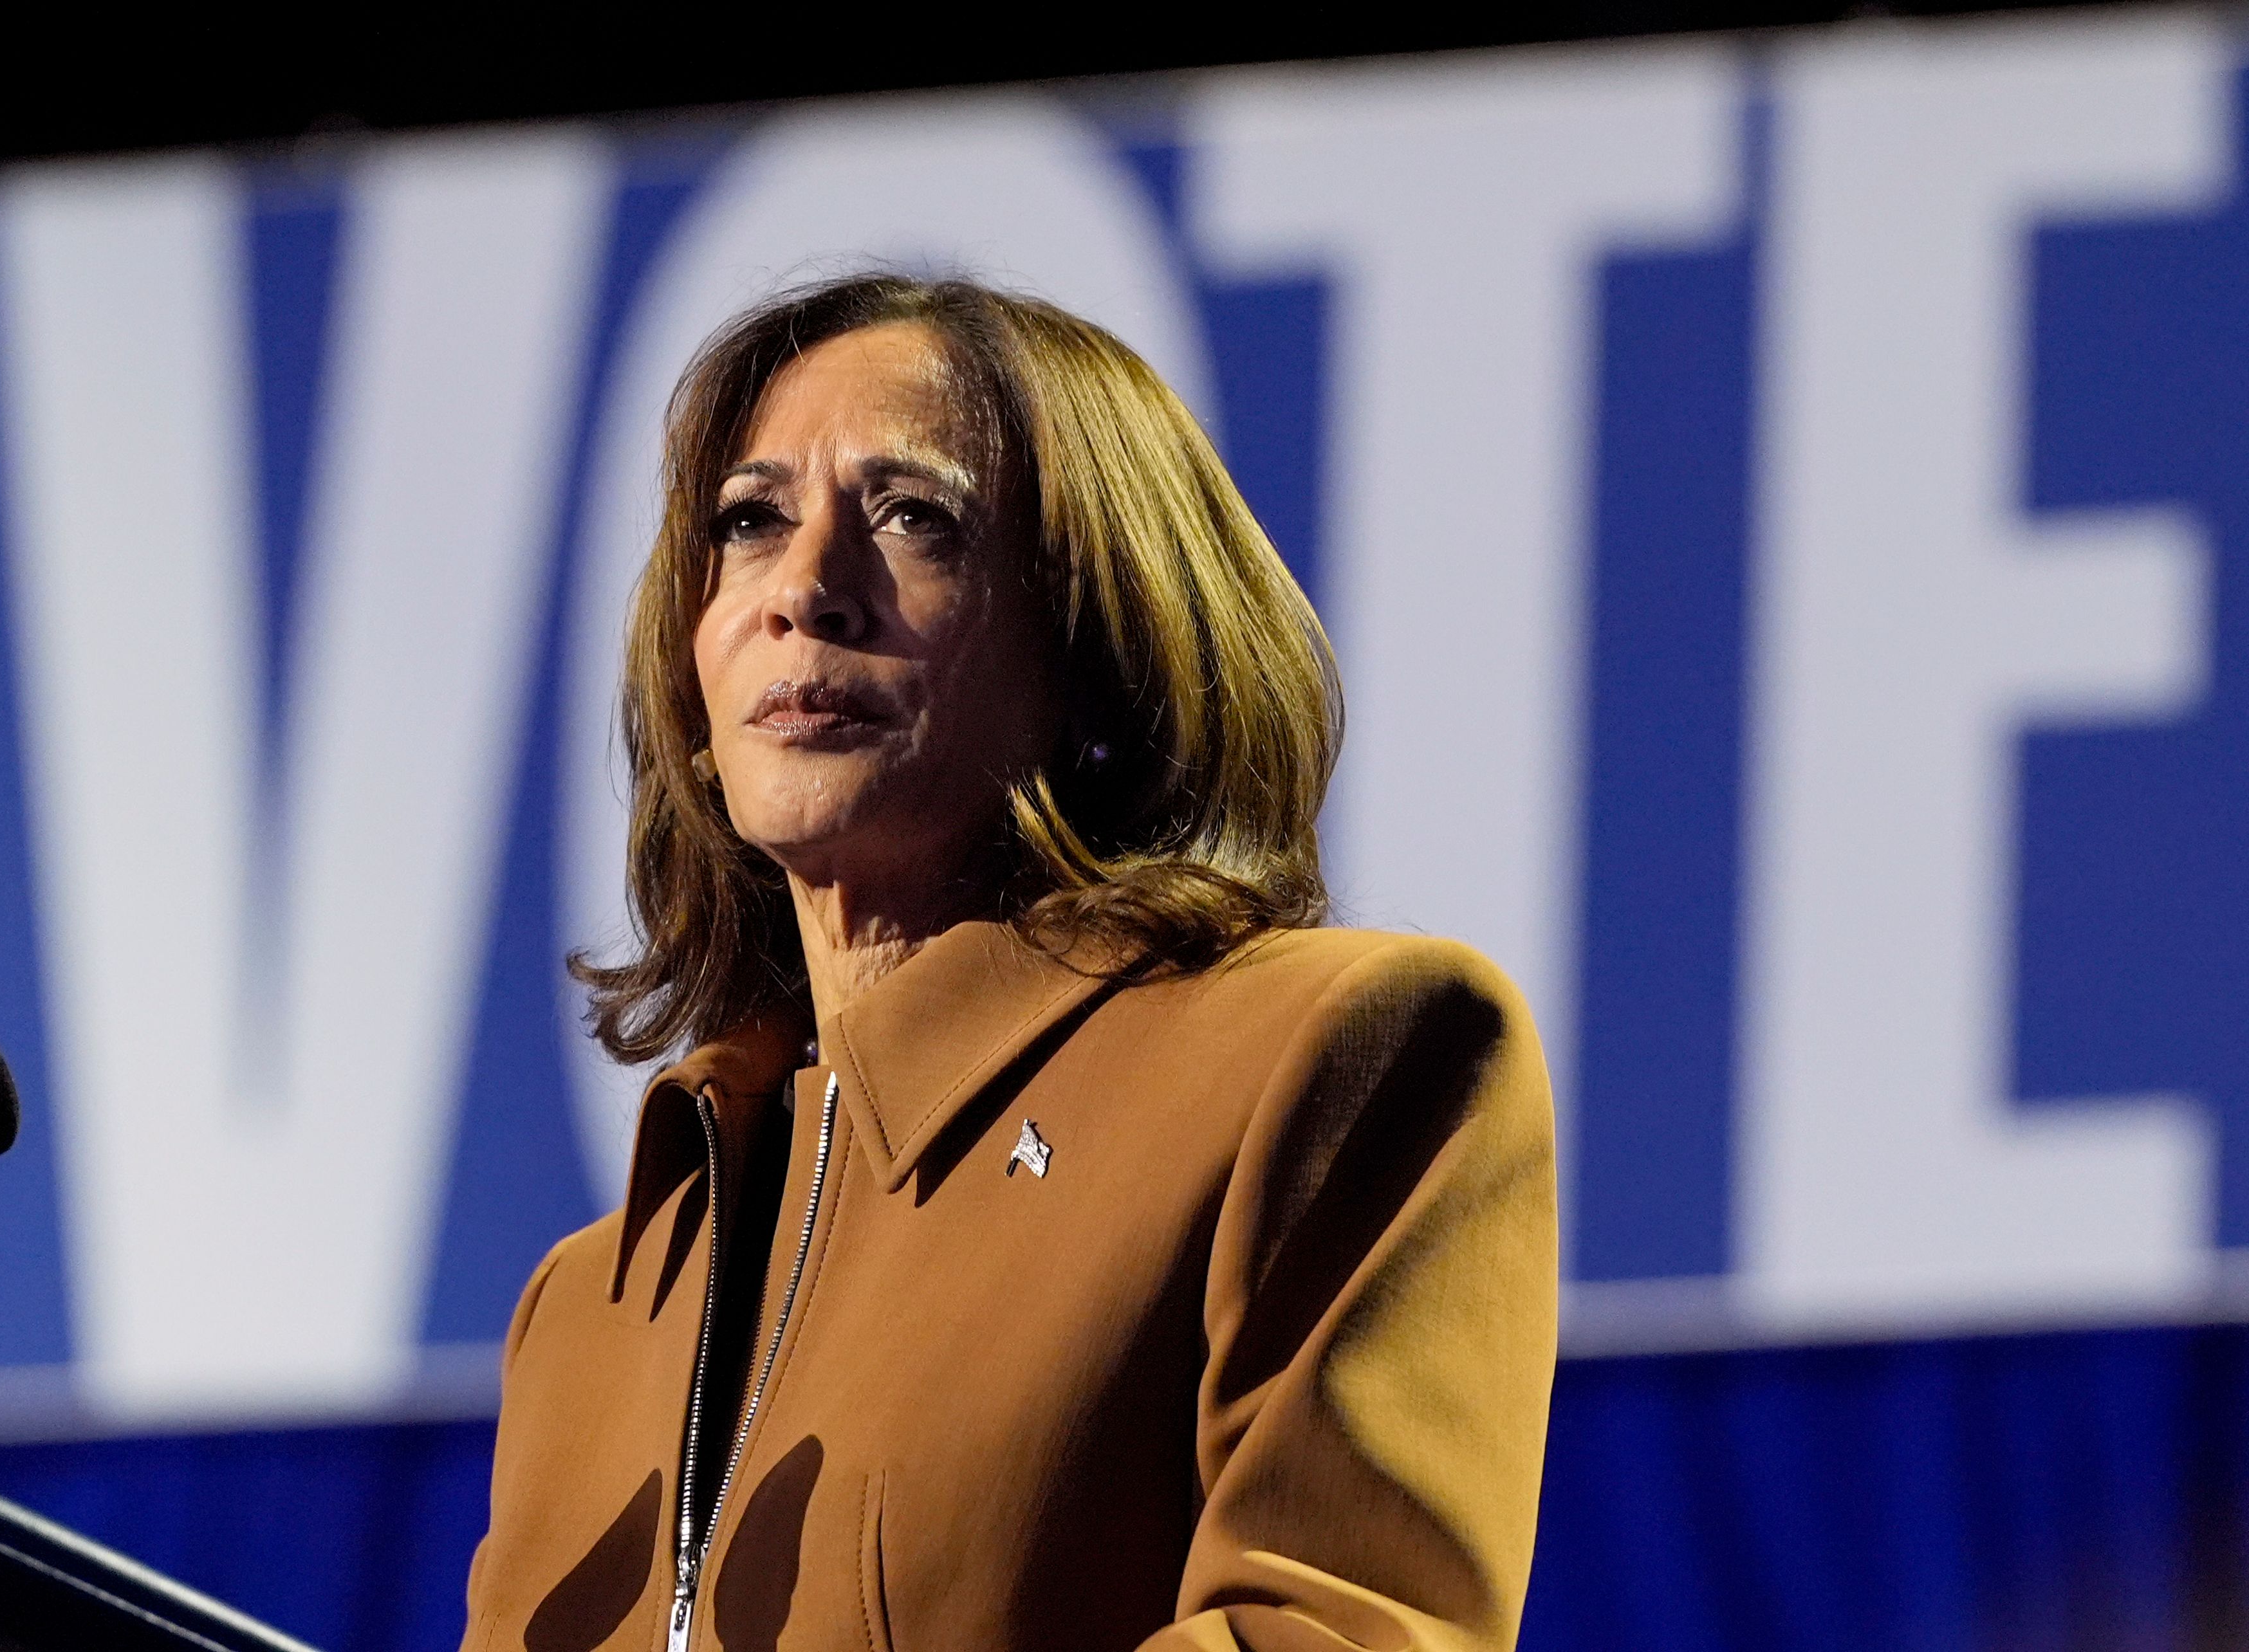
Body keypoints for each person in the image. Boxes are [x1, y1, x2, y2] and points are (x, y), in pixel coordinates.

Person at [461, 274, 1557, 1652]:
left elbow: (1336, 1631)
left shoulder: (1336, 1053)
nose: (805, 591)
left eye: (915, 517)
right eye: (751, 522)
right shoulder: (590, 1303)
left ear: (1105, 635)